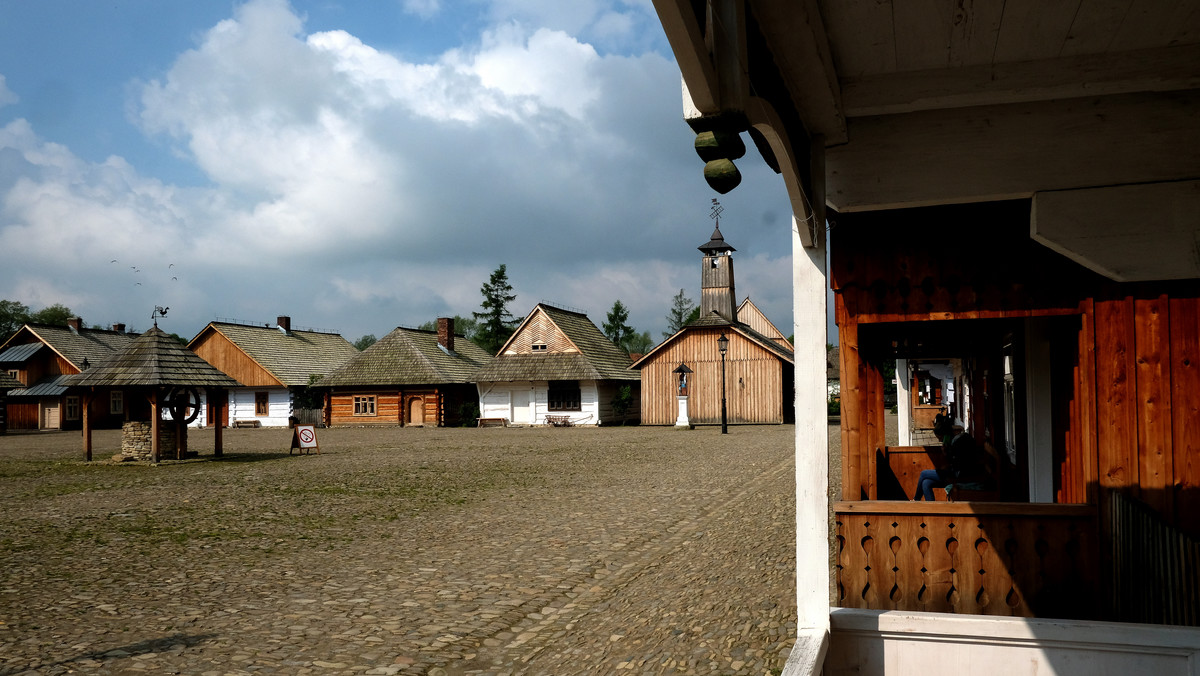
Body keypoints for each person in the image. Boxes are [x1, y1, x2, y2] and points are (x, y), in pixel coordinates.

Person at [914, 419, 981, 500]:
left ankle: (915, 500)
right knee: (926, 483)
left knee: (924, 473)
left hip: (961, 476)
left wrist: (947, 453)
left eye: (941, 438)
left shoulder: (958, 443)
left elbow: (956, 464)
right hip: (957, 473)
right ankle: (932, 510)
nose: (940, 441)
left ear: (946, 435)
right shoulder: (956, 440)